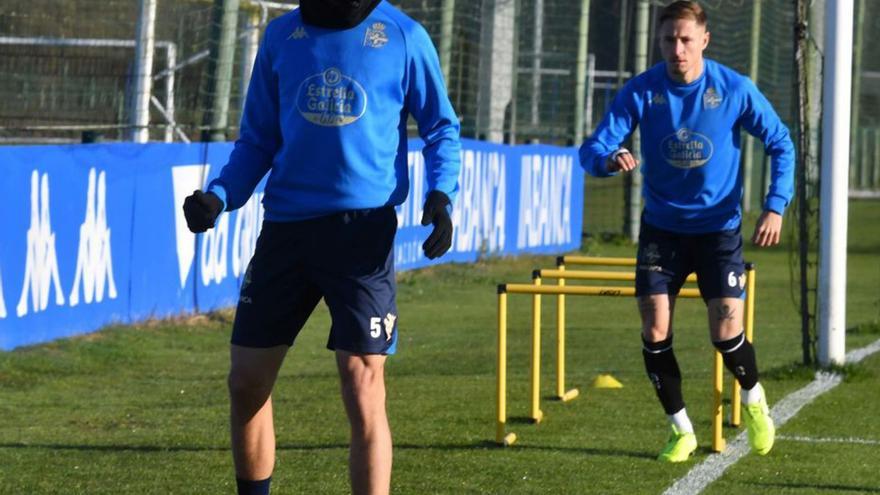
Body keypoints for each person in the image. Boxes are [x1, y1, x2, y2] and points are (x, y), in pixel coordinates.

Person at [182, 1, 461, 493]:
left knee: (362, 383)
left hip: (362, 234)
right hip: (287, 230)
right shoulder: (280, 37)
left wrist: (441, 195)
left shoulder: (403, 36)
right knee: (246, 381)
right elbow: (257, 140)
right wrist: (219, 196)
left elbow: (441, 128)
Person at [579, 0, 794, 462]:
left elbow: (781, 141)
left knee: (725, 335)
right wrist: (607, 158)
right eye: (667, 40)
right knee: (655, 330)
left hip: (719, 230)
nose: (676, 49)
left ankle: (755, 400)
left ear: (704, 41)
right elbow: (593, 146)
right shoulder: (641, 91)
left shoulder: (732, 89)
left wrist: (775, 206)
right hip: (662, 230)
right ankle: (681, 430)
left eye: (684, 40)